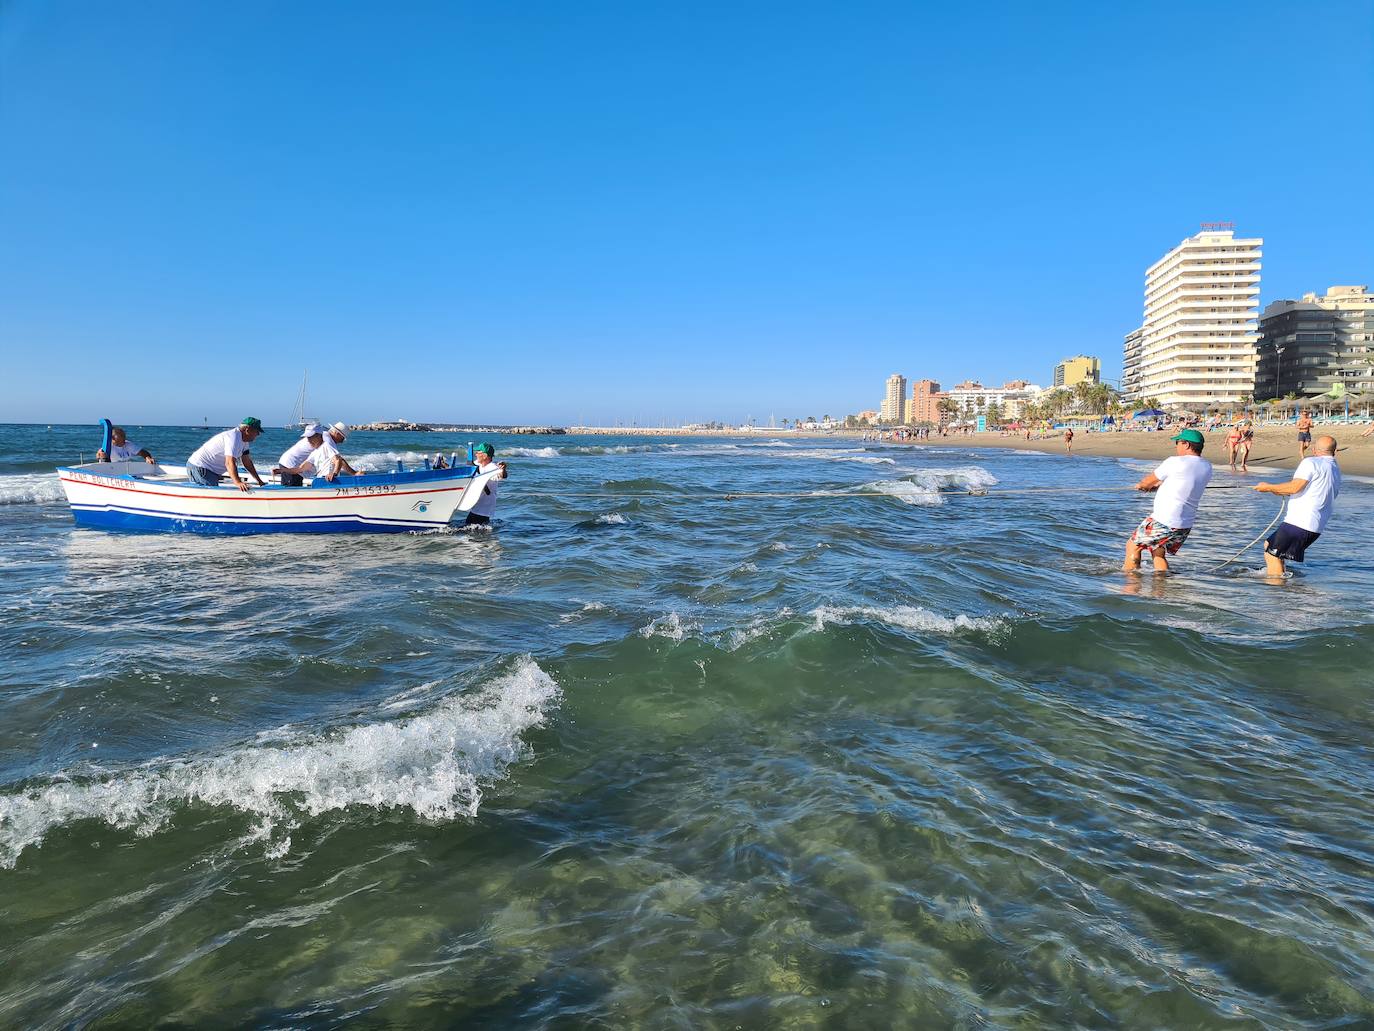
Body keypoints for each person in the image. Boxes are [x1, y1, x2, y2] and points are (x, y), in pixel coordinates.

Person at [1123, 429, 1213, 573]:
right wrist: (1157, 486)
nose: (1176, 446)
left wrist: (1143, 486)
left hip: (1165, 520)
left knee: (1133, 546)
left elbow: (1147, 482)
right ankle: (1162, 588)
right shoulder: (1207, 466)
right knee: (1157, 551)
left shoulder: (1174, 462)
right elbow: (1183, 483)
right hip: (1184, 524)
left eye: (1178, 442)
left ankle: (1131, 586)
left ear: (1186, 445)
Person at [1254, 434, 1341, 577]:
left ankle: (1277, 593)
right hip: (1315, 527)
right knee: (1269, 546)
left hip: (1300, 523)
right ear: (1335, 451)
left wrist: (1267, 487)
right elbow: (1308, 491)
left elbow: (1295, 487)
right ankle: (1285, 587)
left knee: (1272, 556)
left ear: (1313, 450)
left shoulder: (1310, 462)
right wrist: (1277, 490)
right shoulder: (1335, 469)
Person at [187, 418, 266, 491]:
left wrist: (259, 481)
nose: (258, 434)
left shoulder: (245, 442)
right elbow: (229, 462)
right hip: (201, 466)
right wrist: (238, 482)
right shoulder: (233, 437)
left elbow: (247, 462)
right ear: (247, 430)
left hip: (212, 471)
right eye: (256, 431)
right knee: (210, 497)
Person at [464, 442, 508, 526]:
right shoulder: (477, 463)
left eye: (478, 452)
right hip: (475, 506)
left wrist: (503, 469)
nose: (476, 454)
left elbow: (502, 475)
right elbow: (467, 468)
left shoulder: (493, 468)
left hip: (484, 509)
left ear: (484, 456)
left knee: (473, 533)